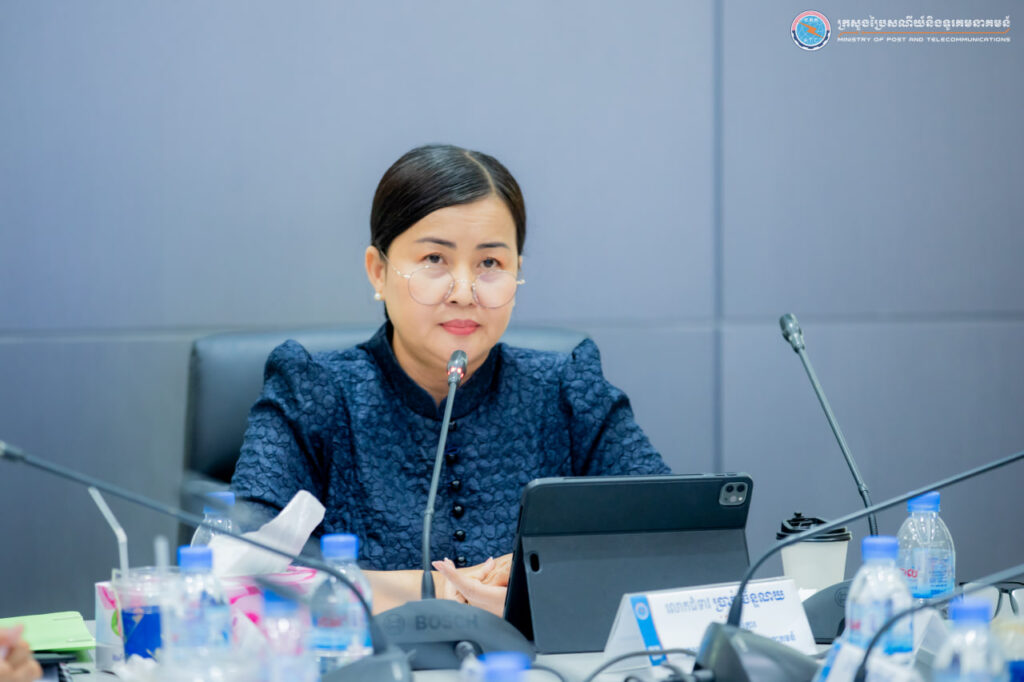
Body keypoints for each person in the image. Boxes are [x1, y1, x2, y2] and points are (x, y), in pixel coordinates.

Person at [231, 144, 671, 614]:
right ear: (378, 271)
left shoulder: (569, 391)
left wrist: (543, 580)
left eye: (490, 264)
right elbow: (240, 567)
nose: (464, 292)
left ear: (517, 273)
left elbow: (672, 539)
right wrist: (446, 591)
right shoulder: (310, 393)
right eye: (434, 259)